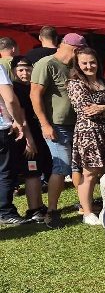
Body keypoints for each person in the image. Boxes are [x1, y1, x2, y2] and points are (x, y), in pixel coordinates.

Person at [66, 46, 105, 225]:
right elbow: (87, 111)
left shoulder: (104, 81)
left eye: (92, 62)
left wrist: (103, 108)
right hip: (89, 133)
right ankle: (87, 212)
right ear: (77, 64)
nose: (89, 66)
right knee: (90, 173)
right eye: (84, 63)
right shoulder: (75, 84)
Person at [31, 32, 84, 228]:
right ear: (74, 49)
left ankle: (84, 204)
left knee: (77, 166)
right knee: (61, 166)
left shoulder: (74, 66)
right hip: (57, 125)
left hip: (77, 123)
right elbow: (35, 94)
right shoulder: (47, 64)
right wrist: (45, 124)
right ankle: (52, 211)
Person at [9, 55, 51, 223]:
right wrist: (29, 140)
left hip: (37, 136)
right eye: (20, 70)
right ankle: (33, 209)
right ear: (13, 71)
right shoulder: (15, 89)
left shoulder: (30, 87)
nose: (24, 73)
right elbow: (21, 117)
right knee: (31, 172)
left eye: (27, 69)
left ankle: (39, 205)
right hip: (27, 138)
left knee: (36, 171)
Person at [0, 61, 33, 224]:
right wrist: (18, 122)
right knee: (5, 171)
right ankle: (5, 212)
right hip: (1, 128)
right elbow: (10, 99)